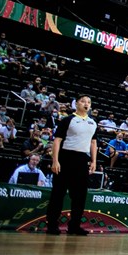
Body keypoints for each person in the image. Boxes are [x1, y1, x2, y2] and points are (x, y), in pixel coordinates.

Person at [45, 95, 98, 235]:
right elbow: (57, 141)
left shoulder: (93, 122)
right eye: (83, 101)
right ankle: (52, 225)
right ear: (76, 104)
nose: (86, 104)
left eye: (89, 102)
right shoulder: (68, 120)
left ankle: (74, 226)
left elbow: (93, 143)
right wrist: (55, 161)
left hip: (82, 160)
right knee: (58, 193)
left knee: (80, 196)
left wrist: (94, 161)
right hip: (66, 157)